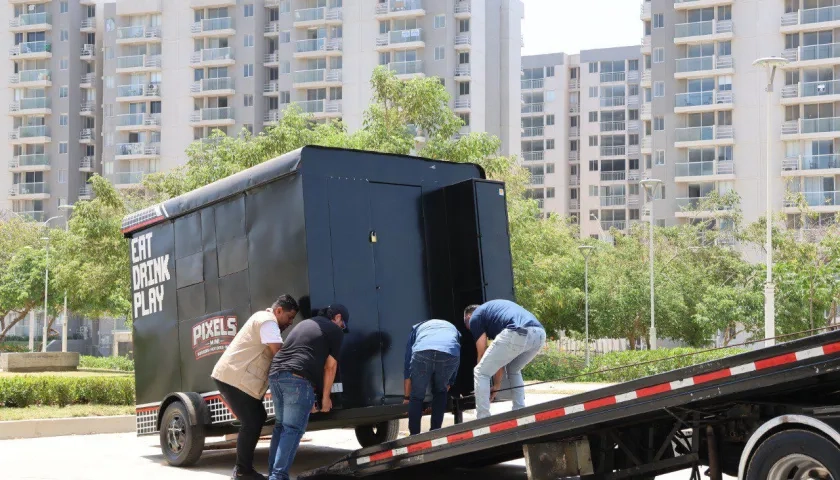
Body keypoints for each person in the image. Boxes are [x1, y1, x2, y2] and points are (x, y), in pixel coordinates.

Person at [211, 294, 300, 480]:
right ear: (278, 311)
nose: (290, 322)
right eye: (289, 317)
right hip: (234, 377)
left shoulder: (264, 319)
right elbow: (279, 353)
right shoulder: (268, 321)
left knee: (257, 417)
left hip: (236, 378)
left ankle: (243, 469)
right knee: (252, 421)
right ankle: (242, 471)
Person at [267, 304, 349, 480]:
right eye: (343, 325)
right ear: (338, 318)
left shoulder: (305, 324)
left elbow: (304, 357)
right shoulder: (335, 331)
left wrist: (309, 396)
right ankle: (277, 477)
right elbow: (330, 367)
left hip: (275, 375)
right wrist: (325, 398)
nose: (342, 329)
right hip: (297, 379)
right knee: (292, 429)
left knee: (281, 427)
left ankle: (273, 474)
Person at [464, 299, 546, 419]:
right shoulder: (493, 313)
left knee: (480, 372)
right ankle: (519, 410)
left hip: (516, 331)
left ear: (469, 316)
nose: (469, 328)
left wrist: (483, 383)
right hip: (539, 334)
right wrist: (496, 385)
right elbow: (500, 358)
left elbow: (481, 354)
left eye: (466, 323)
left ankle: (483, 418)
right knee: (513, 368)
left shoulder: (475, 317)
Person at [403, 319, 461, 435]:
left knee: (417, 396)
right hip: (449, 353)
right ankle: (435, 433)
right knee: (440, 392)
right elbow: (457, 352)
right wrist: (450, 381)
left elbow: (408, 360)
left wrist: (407, 397)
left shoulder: (416, 328)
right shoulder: (452, 328)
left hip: (422, 352)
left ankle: (414, 436)